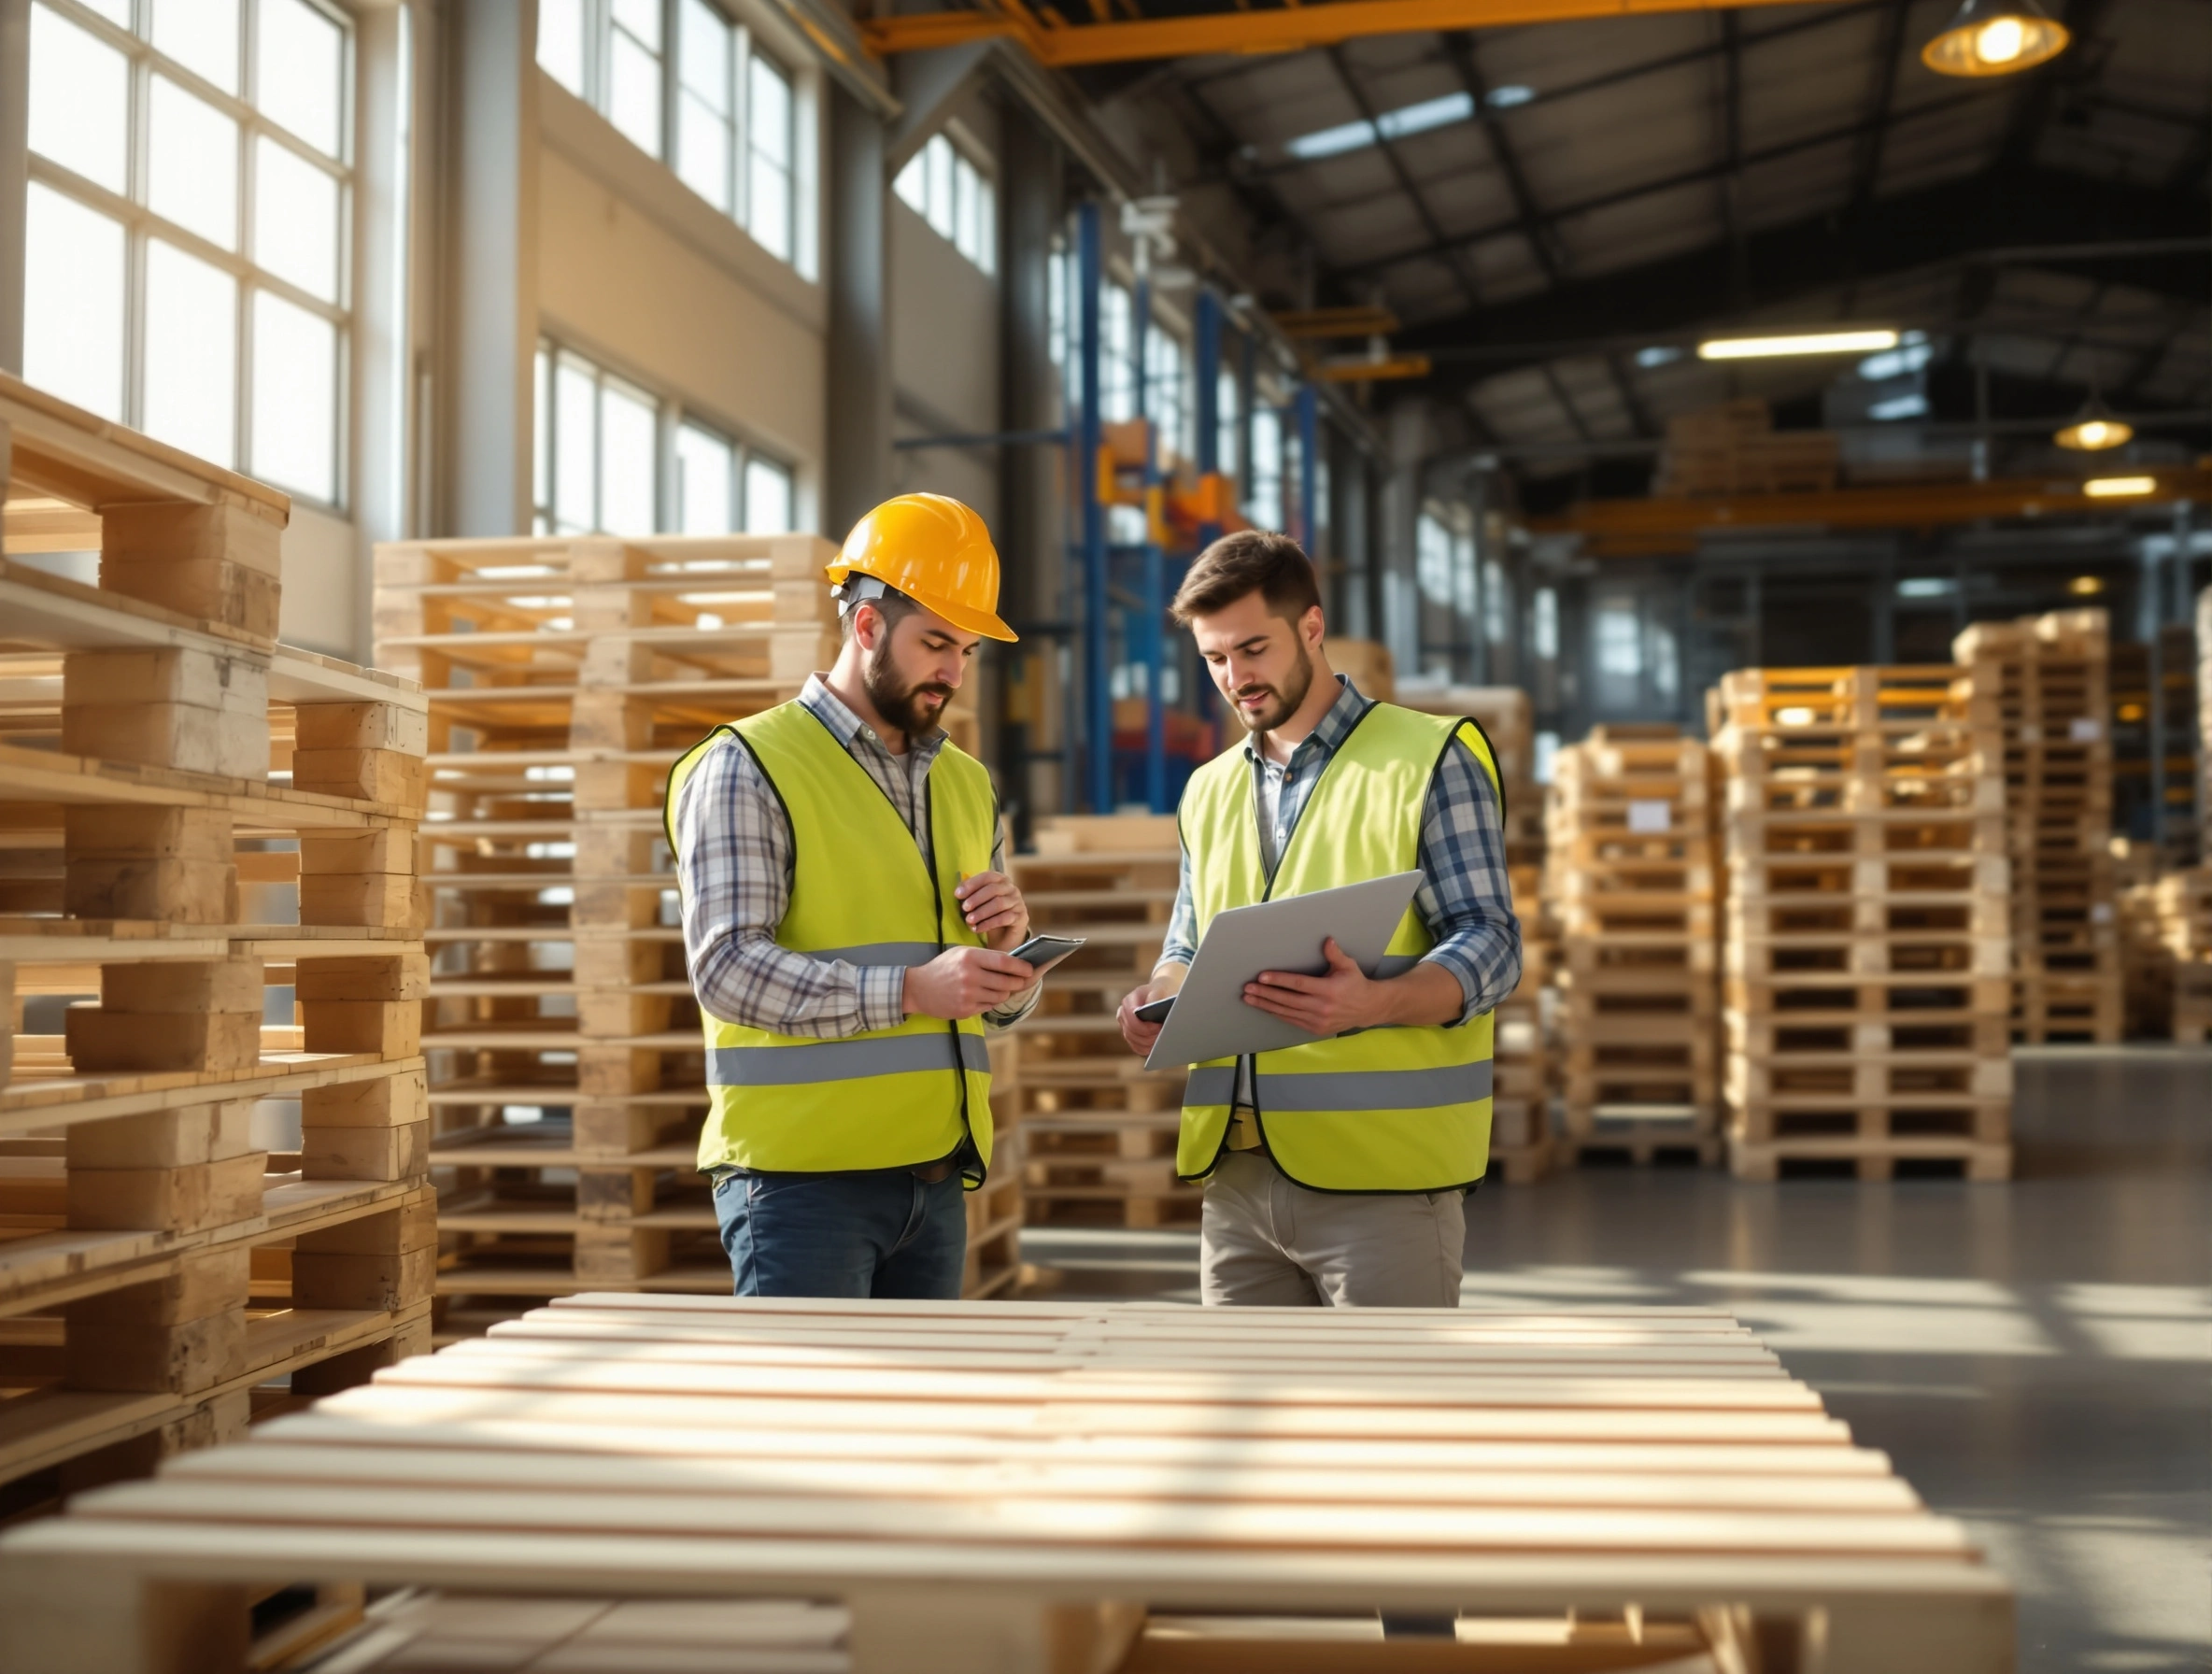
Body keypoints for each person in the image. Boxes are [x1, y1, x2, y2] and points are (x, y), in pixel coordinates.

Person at [1116, 529, 1522, 1309]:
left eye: (1253, 649)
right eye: (1215, 659)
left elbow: (1493, 942)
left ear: (1310, 627)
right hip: (1235, 1186)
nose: (1236, 677)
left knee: (1381, 1429)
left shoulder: (1429, 757)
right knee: (1249, 1428)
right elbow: (1187, 943)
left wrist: (1378, 1002)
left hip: (1384, 1185)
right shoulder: (1208, 788)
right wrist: (1157, 1001)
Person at [666, 493, 1040, 1298]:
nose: (953, 670)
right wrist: (911, 990)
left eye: (967, 650)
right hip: (801, 1187)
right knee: (809, 1423)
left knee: (917, 1427)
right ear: (866, 625)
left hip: (936, 1179)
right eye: (936, 642)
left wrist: (1008, 964)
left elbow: (983, 1006)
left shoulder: (967, 784)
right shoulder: (748, 765)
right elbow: (727, 970)